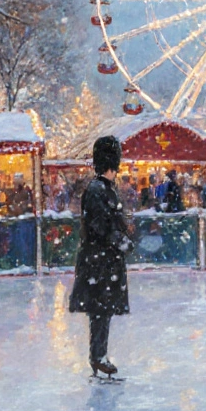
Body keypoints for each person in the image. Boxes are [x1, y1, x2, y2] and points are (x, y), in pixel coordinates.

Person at [69, 136, 134, 380]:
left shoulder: (104, 188)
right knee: (100, 310)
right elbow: (100, 226)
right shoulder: (98, 190)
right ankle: (98, 356)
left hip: (102, 260)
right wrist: (120, 239)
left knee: (102, 310)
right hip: (99, 261)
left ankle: (99, 355)